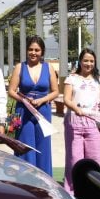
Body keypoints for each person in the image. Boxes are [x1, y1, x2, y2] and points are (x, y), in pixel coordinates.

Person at [7, 35, 59, 175]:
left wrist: (42, 100)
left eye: (37, 50)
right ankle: (25, 181)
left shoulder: (49, 68)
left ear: (42, 52)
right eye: (30, 49)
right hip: (24, 112)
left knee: (44, 148)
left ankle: (45, 183)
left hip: (43, 112)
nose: (33, 53)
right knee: (25, 146)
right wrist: (23, 100)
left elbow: (55, 91)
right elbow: (11, 91)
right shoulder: (20, 67)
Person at [62, 48, 100, 195]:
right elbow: (66, 99)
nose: (88, 63)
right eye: (86, 60)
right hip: (74, 123)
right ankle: (71, 192)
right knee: (74, 160)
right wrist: (75, 108)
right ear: (80, 62)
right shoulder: (71, 79)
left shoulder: (99, 80)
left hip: (94, 124)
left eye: (91, 61)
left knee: (93, 159)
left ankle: (93, 190)